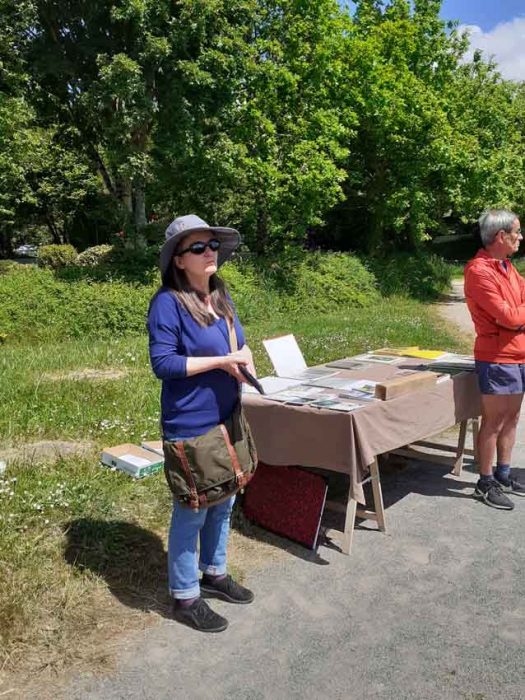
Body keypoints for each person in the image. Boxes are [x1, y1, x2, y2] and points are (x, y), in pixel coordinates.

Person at [147, 214, 256, 632]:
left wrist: (241, 360)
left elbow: (237, 344)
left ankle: (214, 573)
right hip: (191, 423)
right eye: (198, 247)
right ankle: (185, 596)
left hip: (227, 415)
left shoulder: (219, 294)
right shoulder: (167, 304)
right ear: (178, 260)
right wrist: (223, 362)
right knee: (192, 510)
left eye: (212, 245)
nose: (209, 251)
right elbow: (164, 364)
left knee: (224, 501)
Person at [464, 208, 525, 510]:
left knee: (512, 418)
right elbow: (508, 317)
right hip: (497, 357)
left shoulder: (507, 267)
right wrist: (515, 320)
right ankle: (484, 481)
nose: (520, 237)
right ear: (501, 236)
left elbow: (517, 313)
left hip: (518, 354)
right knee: (494, 421)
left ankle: (504, 473)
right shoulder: (479, 270)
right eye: (516, 232)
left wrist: (516, 319)